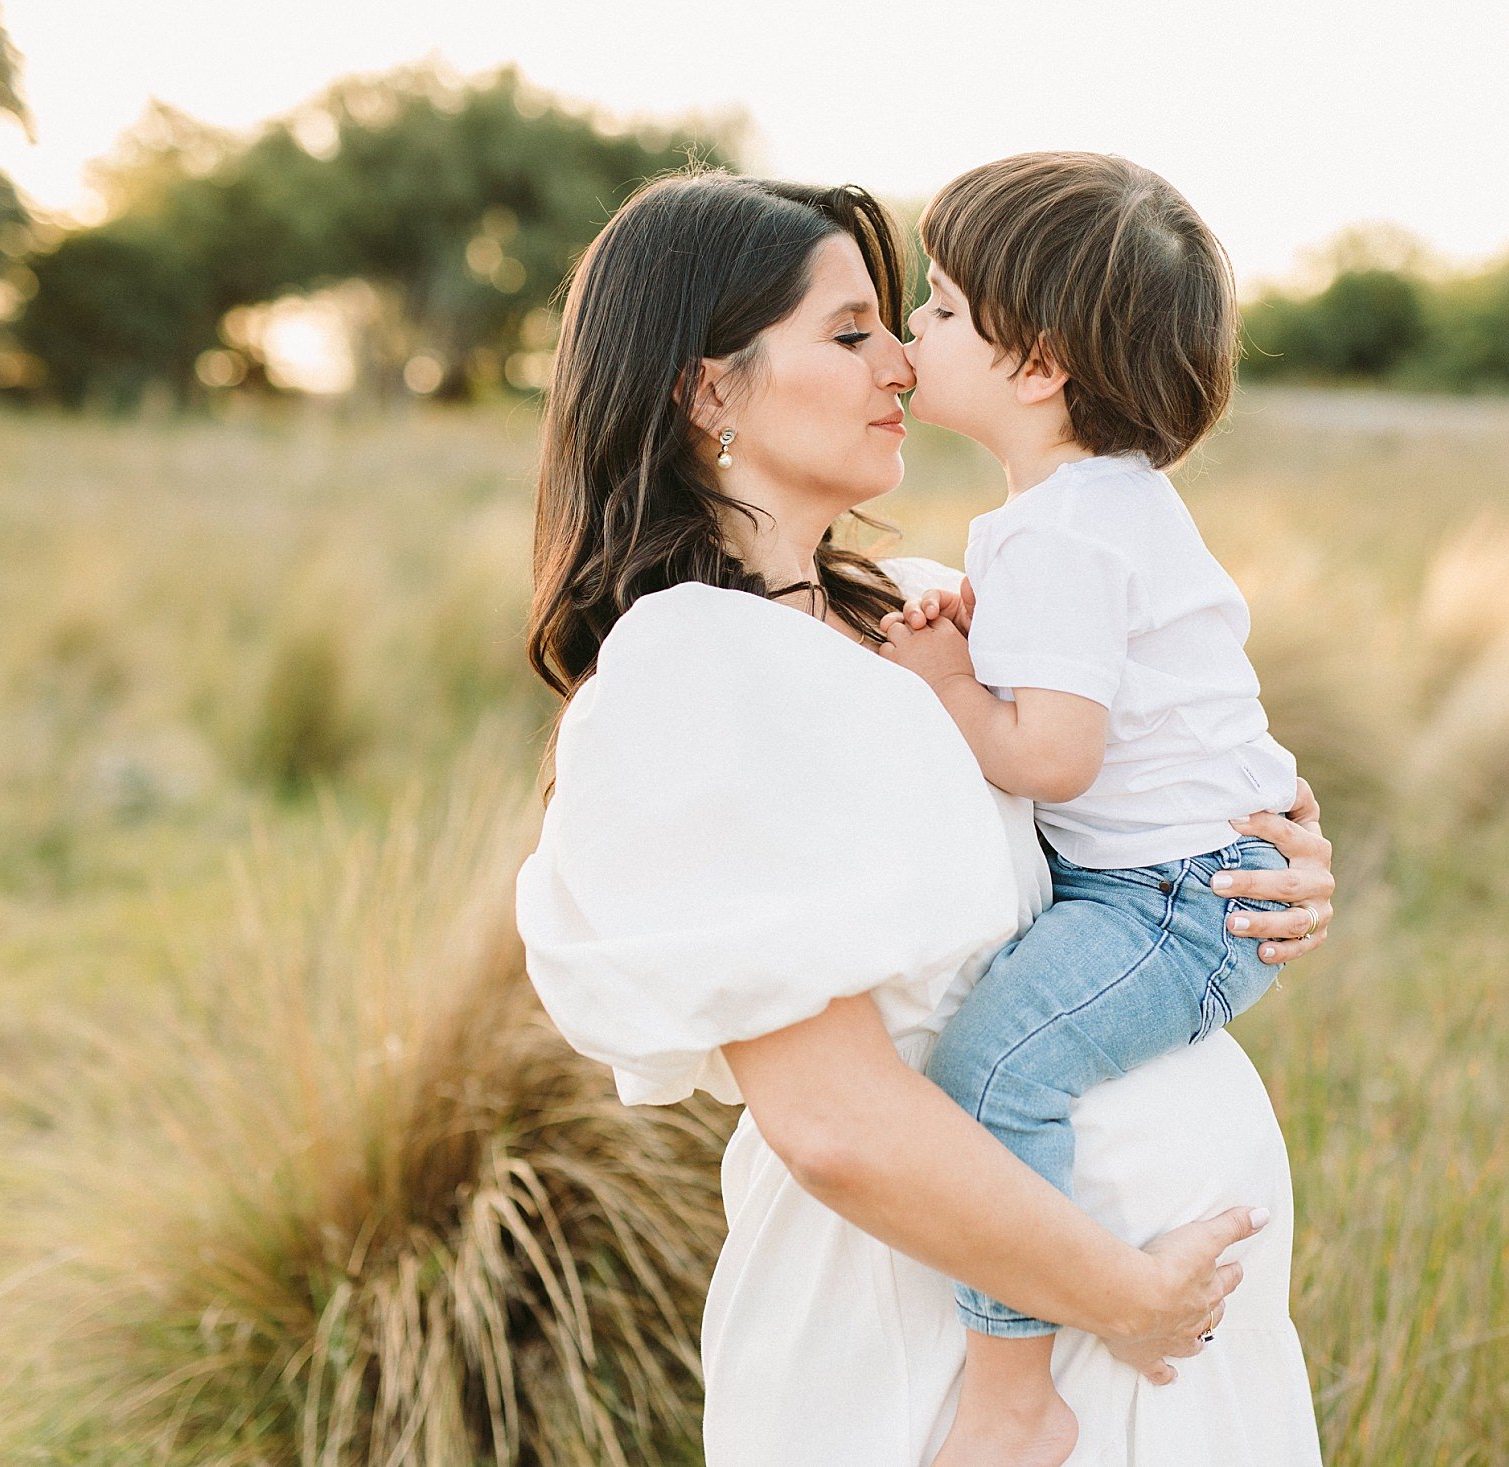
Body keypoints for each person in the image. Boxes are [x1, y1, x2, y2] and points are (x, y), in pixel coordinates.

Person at [514, 168, 1333, 1465]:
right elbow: (834, 1124)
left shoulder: (927, 602)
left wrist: (1277, 856)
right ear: (707, 387)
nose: (905, 361)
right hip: (938, 1370)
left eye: (903, 320)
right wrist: (1121, 1294)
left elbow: (1140, 785)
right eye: (851, 332)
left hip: (1152, 1347)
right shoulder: (690, 675)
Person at [875, 152, 1306, 1467]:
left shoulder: (1055, 534)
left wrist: (951, 676)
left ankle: (1015, 1389)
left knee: (993, 1072)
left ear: (1041, 362)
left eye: (940, 309)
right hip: (1194, 878)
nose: (910, 333)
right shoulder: (1102, 511)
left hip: (1168, 902)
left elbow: (1053, 758)